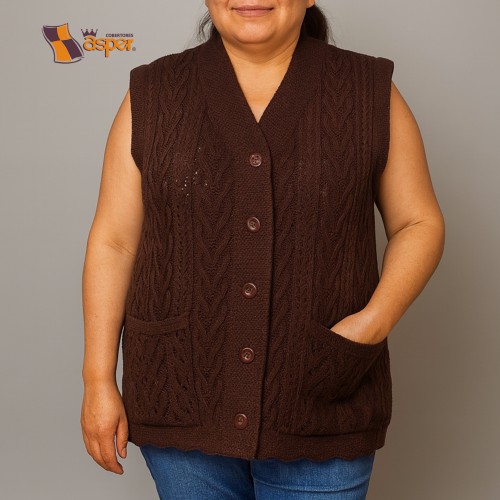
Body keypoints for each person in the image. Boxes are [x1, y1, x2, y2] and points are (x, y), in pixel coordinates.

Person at [80, 1, 445, 499]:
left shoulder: (368, 90)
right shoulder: (154, 92)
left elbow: (419, 222)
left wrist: (372, 325)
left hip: (323, 400)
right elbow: (114, 241)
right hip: (181, 397)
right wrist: (97, 379)